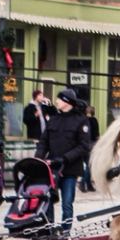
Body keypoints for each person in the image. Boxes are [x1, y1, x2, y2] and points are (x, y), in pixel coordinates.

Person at [35, 88, 95, 229]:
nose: (56, 101)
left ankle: (65, 231)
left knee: (67, 203)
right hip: (51, 168)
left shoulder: (81, 120)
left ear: (67, 102)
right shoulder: (55, 119)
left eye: (59, 99)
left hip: (70, 168)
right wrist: (38, 158)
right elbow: (44, 141)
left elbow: (83, 146)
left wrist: (65, 159)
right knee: (48, 199)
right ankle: (48, 229)